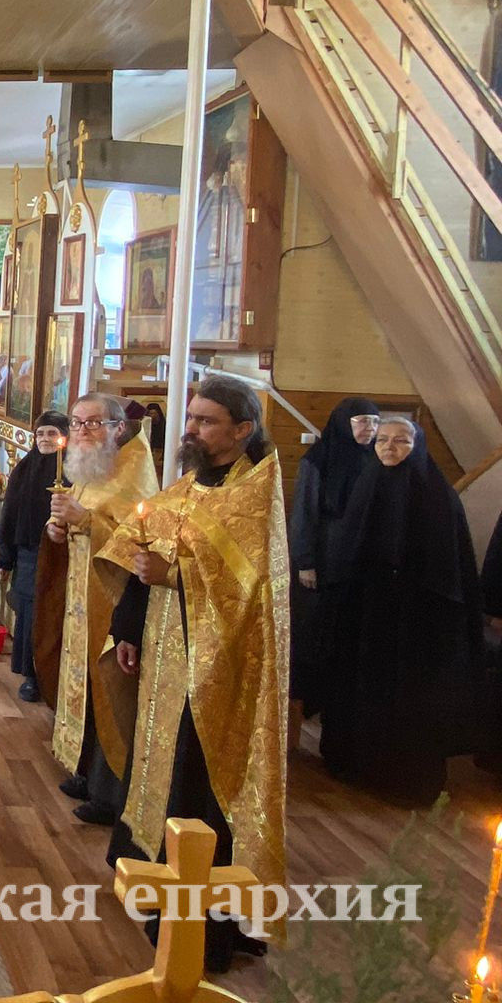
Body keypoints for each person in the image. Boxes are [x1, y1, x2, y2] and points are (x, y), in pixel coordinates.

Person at [98, 376, 289, 973]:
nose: (191, 429)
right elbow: (142, 553)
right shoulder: (187, 486)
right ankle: (154, 890)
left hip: (218, 676)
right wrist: (129, 630)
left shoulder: (255, 495)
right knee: (159, 766)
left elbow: (248, 588)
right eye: (191, 418)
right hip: (164, 658)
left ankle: (200, 930)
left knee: (199, 783)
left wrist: (176, 575)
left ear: (242, 430)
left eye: (206, 421)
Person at [317, 415, 482, 805]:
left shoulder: (439, 497)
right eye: (382, 440)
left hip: (417, 623)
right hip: (367, 615)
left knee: (411, 700)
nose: (389, 447)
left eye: (401, 441)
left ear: (417, 445)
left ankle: (406, 778)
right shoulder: (366, 484)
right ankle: (356, 766)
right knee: (362, 688)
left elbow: (451, 568)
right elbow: (346, 551)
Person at [46, 394, 159, 828]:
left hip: (115, 601)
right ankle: (86, 770)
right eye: (76, 422)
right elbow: (76, 515)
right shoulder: (91, 466)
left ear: (118, 427)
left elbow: (139, 545)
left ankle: (112, 793)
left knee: (111, 690)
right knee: (85, 685)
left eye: (93, 423)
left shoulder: (133, 472)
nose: (82, 431)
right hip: (83, 597)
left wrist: (85, 520)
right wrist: (58, 527)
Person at [288, 398, 378, 717]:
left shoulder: (377, 459)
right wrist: (305, 562)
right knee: (317, 631)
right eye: (362, 421)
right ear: (344, 423)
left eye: (374, 422)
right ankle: (311, 700)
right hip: (324, 559)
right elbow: (304, 512)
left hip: (359, 561)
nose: (369, 428)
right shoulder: (317, 460)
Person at [0, 412, 68, 702]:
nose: (45, 439)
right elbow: (9, 515)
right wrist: (4, 558)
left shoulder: (73, 472)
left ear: (63, 438)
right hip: (28, 552)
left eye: (52, 434)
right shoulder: (25, 468)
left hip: (61, 556)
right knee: (29, 614)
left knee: (52, 615)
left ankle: (52, 676)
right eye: (40, 434)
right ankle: (31, 675)